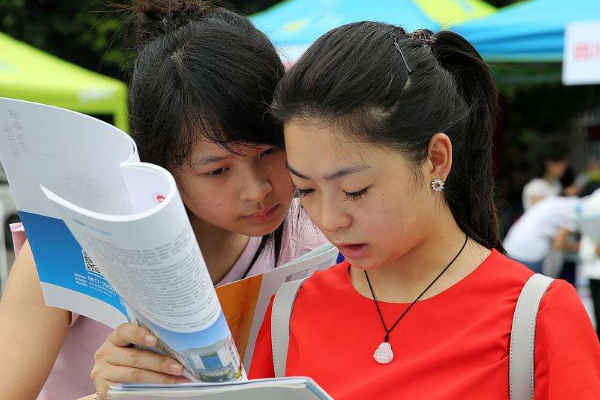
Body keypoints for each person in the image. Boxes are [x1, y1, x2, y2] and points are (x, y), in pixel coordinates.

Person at [248, 23, 600, 399]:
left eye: (355, 190)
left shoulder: (537, 316)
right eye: (306, 190)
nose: (331, 219)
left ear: (435, 160)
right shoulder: (291, 312)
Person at [0, 2, 326, 399]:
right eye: (217, 170)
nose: (257, 190)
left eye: (269, 151)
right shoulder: (69, 245)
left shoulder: (320, 236)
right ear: (162, 167)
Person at [503, 195, 580, 274]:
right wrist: (577, 246)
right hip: (528, 256)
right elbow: (559, 244)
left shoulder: (554, 201)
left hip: (509, 249)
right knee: (534, 285)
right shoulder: (574, 210)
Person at [521, 140, 569, 211]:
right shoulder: (535, 187)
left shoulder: (556, 182)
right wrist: (565, 194)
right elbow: (544, 210)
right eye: (561, 163)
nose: (564, 166)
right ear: (548, 164)